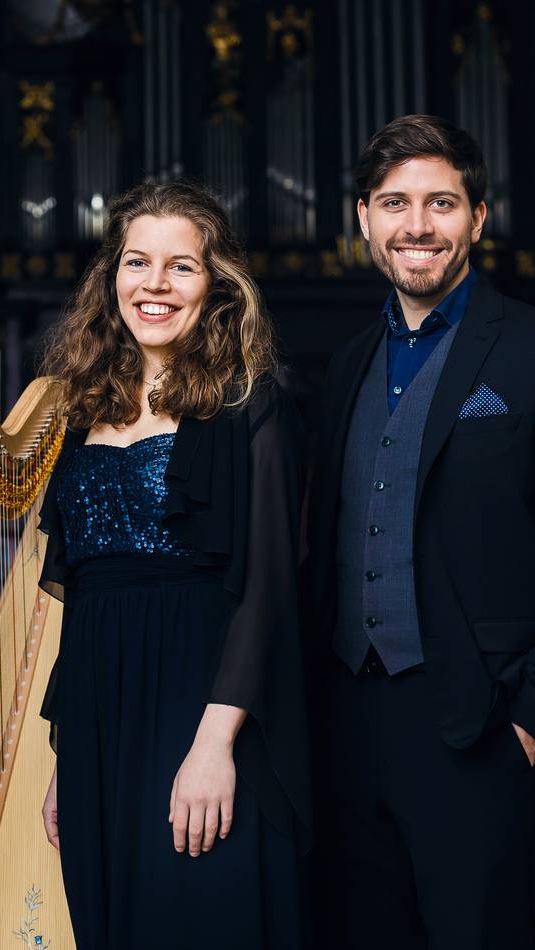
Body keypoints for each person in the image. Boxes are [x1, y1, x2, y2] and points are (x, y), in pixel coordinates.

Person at [37, 180, 311, 949]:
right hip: (99, 721)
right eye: (136, 262)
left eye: (180, 267)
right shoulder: (83, 408)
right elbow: (83, 595)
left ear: (216, 285)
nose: (154, 285)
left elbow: (268, 592)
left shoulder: (249, 406)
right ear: (111, 278)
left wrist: (213, 747)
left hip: (204, 709)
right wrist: (66, 755)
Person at [308, 115, 535, 949]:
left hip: (482, 727)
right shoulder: (343, 365)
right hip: (351, 728)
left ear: (478, 217)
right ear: (363, 218)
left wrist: (529, 718)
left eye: (442, 203)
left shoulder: (527, 350)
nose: (418, 226)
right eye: (395, 203)